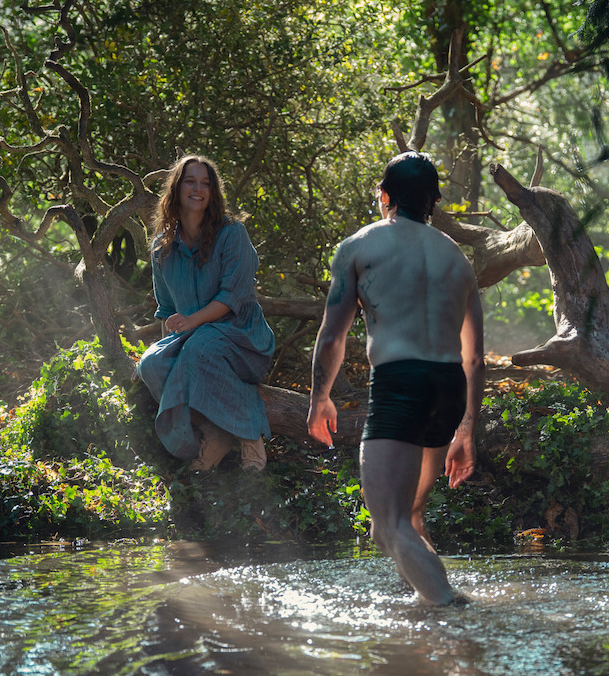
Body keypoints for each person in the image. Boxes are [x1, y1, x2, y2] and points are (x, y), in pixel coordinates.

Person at [307, 151, 485, 606]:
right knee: (409, 515)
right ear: (434, 202)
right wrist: (466, 429)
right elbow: (475, 358)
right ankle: (424, 624)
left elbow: (332, 337)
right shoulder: (458, 261)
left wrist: (319, 398)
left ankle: (451, 608)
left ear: (384, 195)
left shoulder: (360, 247)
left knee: (387, 528)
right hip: (448, 389)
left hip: (401, 385)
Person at [137, 155, 275, 471]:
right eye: (190, 181)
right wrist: (163, 353)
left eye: (205, 183)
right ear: (176, 188)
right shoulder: (162, 246)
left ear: (213, 192)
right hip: (194, 339)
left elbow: (231, 298)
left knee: (201, 347)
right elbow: (168, 310)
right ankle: (215, 433)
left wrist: (190, 324)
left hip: (244, 339)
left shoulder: (232, 234)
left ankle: (250, 437)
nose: (198, 189)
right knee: (153, 366)